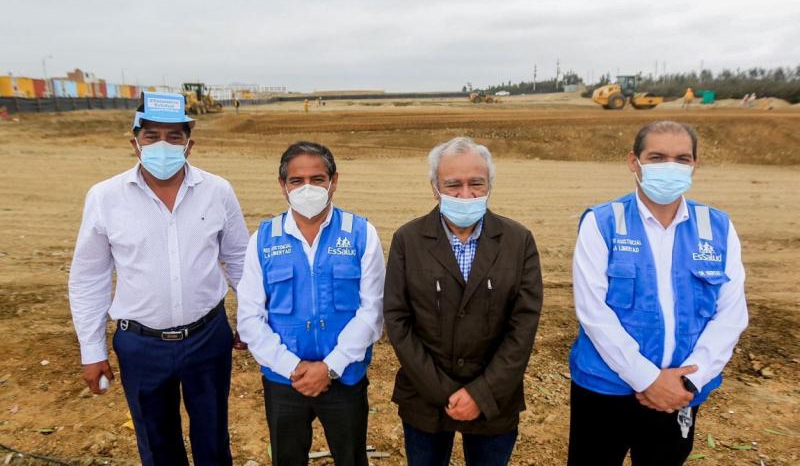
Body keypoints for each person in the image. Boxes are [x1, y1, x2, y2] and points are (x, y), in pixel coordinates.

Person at [68, 92, 250, 466]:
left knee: (213, 438)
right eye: (152, 136)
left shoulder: (217, 191)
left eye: (174, 136)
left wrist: (248, 319)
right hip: (140, 344)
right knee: (156, 443)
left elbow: (239, 259)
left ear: (189, 144)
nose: (162, 145)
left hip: (208, 339)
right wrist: (92, 350)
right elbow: (90, 277)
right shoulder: (105, 197)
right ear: (135, 143)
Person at [567, 121, 748, 465]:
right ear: (634, 162)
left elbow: (731, 314)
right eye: (657, 157)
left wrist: (691, 381)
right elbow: (593, 313)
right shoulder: (602, 222)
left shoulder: (717, 227)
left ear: (695, 164)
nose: (670, 167)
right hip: (606, 389)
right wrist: (648, 379)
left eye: (681, 158)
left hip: (680, 392)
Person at [383, 137, 543, 466]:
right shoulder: (408, 240)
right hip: (425, 400)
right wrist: (445, 392)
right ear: (434, 187)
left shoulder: (518, 241)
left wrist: (480, 394)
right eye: (453, 185)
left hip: (495, 400)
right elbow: (398, 320)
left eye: (476, 184)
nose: (465, 194)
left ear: (490, 186)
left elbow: (523, 326)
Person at [236, 141, 385, 466]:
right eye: (296, 181)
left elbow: (372, 312)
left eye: (317, 179)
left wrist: (329, 366)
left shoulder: (361, 234)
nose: (307, 188)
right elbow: (249, 318)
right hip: (285, 380)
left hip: (344, 377)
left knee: (351, 458)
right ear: (282, 185)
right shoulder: (263, 239)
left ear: (333, 181)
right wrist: (294, 368)